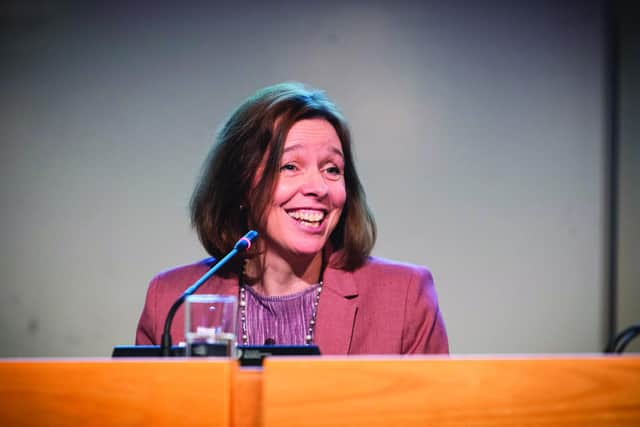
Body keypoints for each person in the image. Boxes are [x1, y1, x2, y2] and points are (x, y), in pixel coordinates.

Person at [136, 82, 448, 354]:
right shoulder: (171, 300)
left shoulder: (405, 296)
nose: (318, 188)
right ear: (242, 185)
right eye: (290, 166)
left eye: (331, 169)